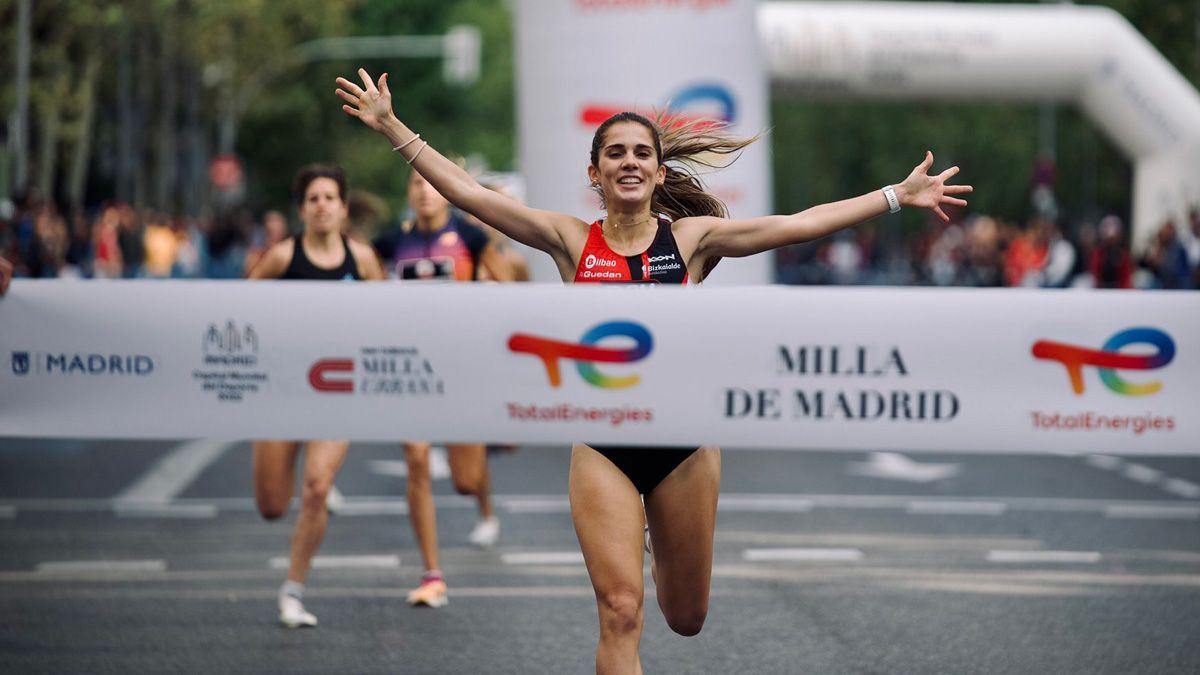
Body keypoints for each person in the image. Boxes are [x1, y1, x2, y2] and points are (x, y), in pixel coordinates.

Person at [337, 67, 971, 672]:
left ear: (659, 169)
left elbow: (795, 226)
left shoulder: (691, 242)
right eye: (615, 153)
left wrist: (896, 195)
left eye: (641, 152)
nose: (630, 162)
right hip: (603, 443)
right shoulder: (568, 240)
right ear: (596, 172)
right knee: (620, 611)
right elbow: (470, 193)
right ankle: (624, 533)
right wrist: (394, 127)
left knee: (685, 616)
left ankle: (655, 536)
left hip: (684, 447)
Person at [247, 164, 385, 628]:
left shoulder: (362, 260)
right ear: (302, 209)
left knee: (317, 487)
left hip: (337, 390)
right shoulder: (282, 258)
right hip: (283, 391)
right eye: (313, 199)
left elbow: (390, 318)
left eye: (330, 197)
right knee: (271, 506)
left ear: (344, 208)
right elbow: (237, 311)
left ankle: (293, 590)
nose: (322, 205)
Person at [372, 165, 514, 608]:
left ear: (447, 194)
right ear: (410, 193)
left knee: (466, 481)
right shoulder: (390, 242)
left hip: (462, 364)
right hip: (411, 365)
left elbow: (509, 287)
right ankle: (432, 572)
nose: (426, 192)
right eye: (416, 183)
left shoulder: (471, 240)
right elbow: (367, 295)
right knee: (416, 459)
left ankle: (485, 505)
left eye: (433, 184)